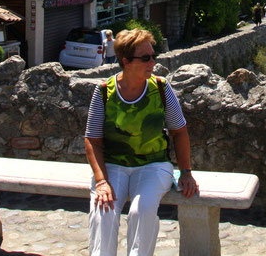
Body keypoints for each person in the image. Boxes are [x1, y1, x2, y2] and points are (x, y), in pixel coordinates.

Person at [84, 29, 198, 255]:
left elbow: (180, 132)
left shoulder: (161, 88)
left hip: (153, 165)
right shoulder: (104, 92)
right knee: (104, 210)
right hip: (114, 164)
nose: (153, 62)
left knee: (141, 210)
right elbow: (93, 140)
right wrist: (101, 181)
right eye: (146, 58)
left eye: (153, 56)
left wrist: (186, 172)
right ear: (126, 61)